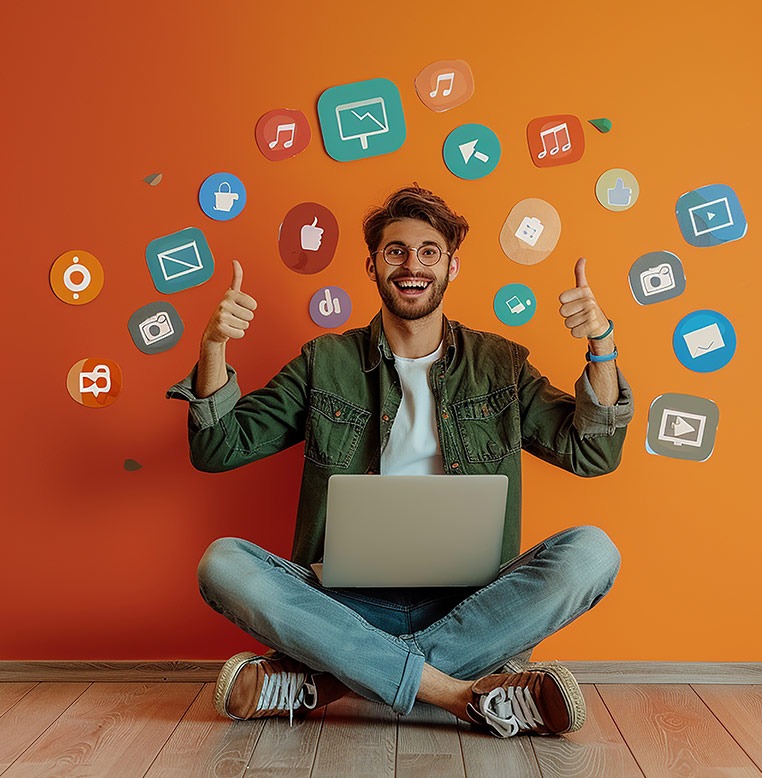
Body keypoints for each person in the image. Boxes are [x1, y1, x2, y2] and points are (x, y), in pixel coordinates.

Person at [167, 185, 633, 738]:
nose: (413, 265)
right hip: (341, 608)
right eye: (396, 251)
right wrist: (213, 346)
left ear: (452, 266)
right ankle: (460, 693)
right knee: (222, 563)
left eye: (429, 251)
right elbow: (218, 447)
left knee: (592, 553)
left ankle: (332, 681)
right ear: (372, 265)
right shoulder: (326, 363)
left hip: (471, 607)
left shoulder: (500, 365)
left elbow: (593, 452)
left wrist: (601, 344)